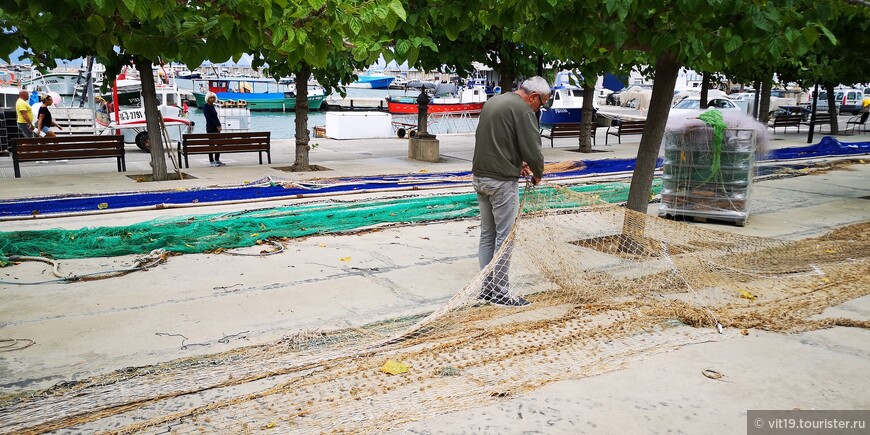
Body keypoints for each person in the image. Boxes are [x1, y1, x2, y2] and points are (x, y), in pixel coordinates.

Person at [472, 76, 549, 307]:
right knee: (505, 238)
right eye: (541, 104)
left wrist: (518, 163)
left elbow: (499, 141)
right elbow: (533, 150)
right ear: (533, 97)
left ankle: (486, 290)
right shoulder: (523, 110)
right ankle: (502, 293)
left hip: (480, 177)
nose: (539, 108)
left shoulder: (495, 102)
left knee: (488, 235)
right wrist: (537, 172)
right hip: (501, 182)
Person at [202, 92, 224, 167]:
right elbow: (209, 118)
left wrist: (219, 125)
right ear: (207, 98)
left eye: (213, 98)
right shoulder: (206, 106)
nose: (212, 99)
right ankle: (211, 160)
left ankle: (217, 159)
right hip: (210, 127)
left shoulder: (212, 106)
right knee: (211, 144)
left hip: (216, 128)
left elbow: (215, 117)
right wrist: (216, 126)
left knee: (219, 143)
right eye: (211, 97)